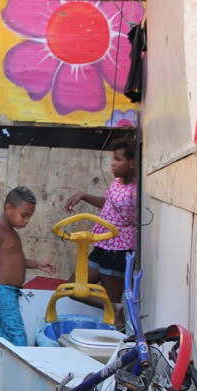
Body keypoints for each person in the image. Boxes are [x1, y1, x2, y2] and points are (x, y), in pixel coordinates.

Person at [0, 186, 55, 391]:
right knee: (18, 337)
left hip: (7, 293)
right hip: (1, 294)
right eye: (24, 215)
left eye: (29, 217)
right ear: (8, 208)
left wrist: (37, 263)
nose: (26, 221)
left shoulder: (11, 233)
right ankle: (24, 388)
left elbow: (14, 261)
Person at [64, 139, 137, 327]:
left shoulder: (136, 191)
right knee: (73, 288)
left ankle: (117, 342)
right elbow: (109, 204)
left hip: (119, 249)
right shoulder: (117, 182)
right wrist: (84, 195)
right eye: (114, 158)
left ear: (132, 162)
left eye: (118, 159)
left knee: (112, 308)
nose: (113, 163)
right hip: (102, 245)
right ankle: (114, 307)